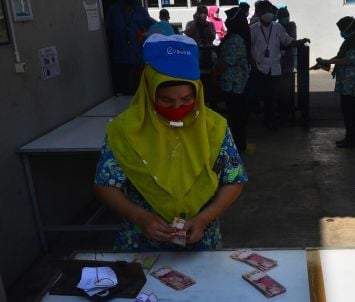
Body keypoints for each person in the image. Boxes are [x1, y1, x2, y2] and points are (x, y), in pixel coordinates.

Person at [94, 34, 247, 250]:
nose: (177, 107)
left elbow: (234, 180)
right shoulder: (126, 129)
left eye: (186, 100)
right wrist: (141, 217)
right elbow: (105, 186)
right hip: (142, 242)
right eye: (166, 100)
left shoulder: (214, 126)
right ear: (148, 92)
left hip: (201, 238)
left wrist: (203, 219)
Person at [247, 1, 309, 130]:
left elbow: (287, 40)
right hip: (258, 68)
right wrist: (252, 61)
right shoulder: (253, 29)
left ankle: (270, 122)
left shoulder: (278, 28)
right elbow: (247, 47)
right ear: (258, 13)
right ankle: (250, 121)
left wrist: (299, 42)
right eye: (264, 12)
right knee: (253, 95)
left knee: (272, 97)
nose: (268, 14)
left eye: (269, 11)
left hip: (274, 68)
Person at [317, 17, 355, 148]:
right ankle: (348, 138)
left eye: (341, 29)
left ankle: (351, 140)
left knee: (349, 111)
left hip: (351, 83)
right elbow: (341, 57)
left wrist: (328, 62)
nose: (341, 32)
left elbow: (348, 61)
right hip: (347, 83)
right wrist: (327, 61)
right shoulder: (352, 41)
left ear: (347, 29)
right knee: (347, 110)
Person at [105, 0, 155, 95]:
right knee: (122, 91)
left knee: (139, 89)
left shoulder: (141, 11)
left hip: (138, 56)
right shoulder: (114, 10)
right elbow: (108, 33)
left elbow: (152, 28)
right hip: (120, 57)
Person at [217, 7, 250, 152]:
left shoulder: (235, 39)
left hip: (234, 85)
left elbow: (227, 61)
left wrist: (214, 74)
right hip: (236, 84)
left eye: (229, 18)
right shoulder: (237, 36)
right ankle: (239, 143)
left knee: (236, 116)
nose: (226, 21)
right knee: (237, 116)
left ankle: (238, 145)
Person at [277, 6, 298, 123]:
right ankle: (281, 112)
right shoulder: (276, 26)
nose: (286, 18)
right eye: (283, 16)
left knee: (286, 89)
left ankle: (286, 113)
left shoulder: (290, 25)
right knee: (280, 90)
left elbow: (290, 39)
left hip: (286, 62)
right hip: (277, 62)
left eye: (286, 16)